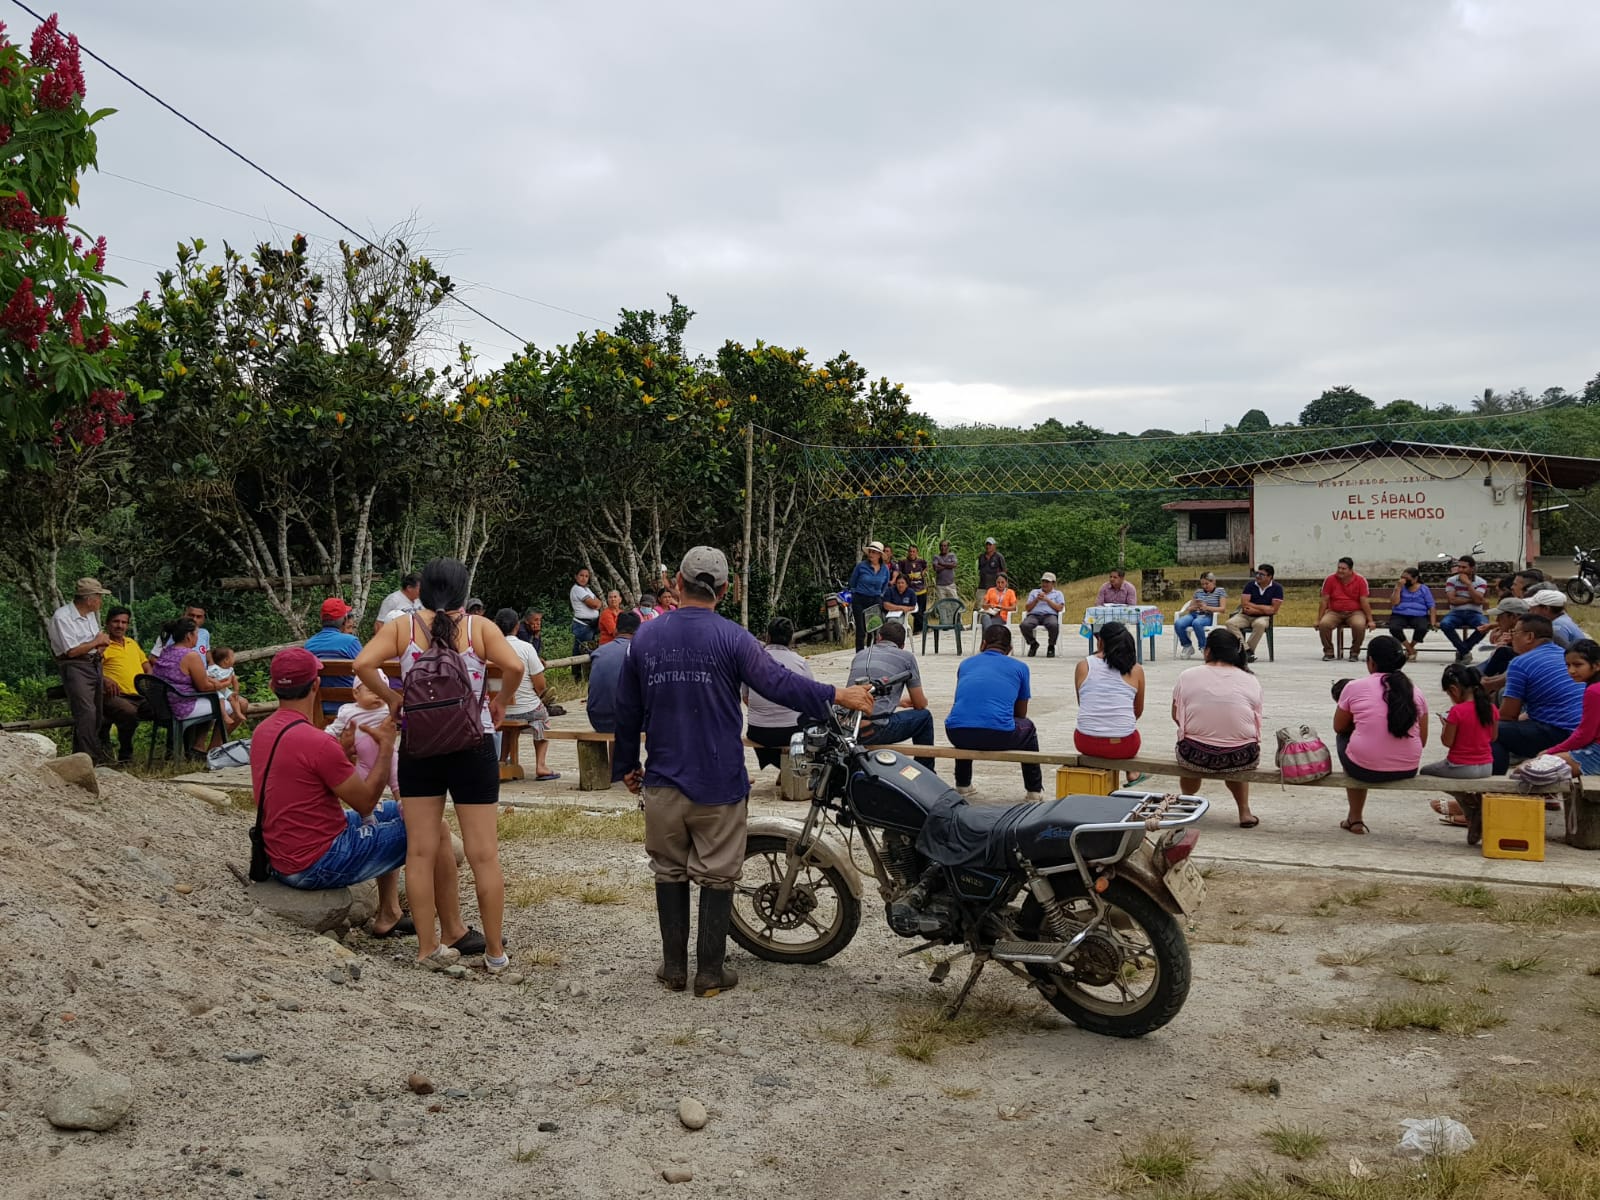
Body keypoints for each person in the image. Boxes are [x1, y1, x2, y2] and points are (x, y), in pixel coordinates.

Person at [612, 546, 873, 997]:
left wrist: (626, 767)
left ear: (677, 582)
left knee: (668, 871)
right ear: (724, 589)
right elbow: (778, 683)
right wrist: (837, 694)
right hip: (719, 783)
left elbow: (626, 711)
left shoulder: (645, 638)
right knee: (718, 874)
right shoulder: (735, 638)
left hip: (663, 781)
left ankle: (673, 968)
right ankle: (710, 973)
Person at [356, 557, 524, 973]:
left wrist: (393, 699)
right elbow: (515, 666)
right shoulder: (479, 628)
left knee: (420, 851)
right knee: (484, 854)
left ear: (424, 589)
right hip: (473, 744)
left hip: (420, 746)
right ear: (464, 590)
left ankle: (428, 948)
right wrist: (501, 702)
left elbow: (362, 665)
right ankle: (495, 954)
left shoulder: (403, 626)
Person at [1332, 635, 1428, 835]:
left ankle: (1355, 818)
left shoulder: (1354, 687)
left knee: (1345, 739)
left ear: (1371, 662)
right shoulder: (1415, 691)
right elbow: (1423, 739)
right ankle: (1354, 817)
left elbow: (1339, 727)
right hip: (1407, 768)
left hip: (1363, 769)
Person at [1171, 627, 1263, 828]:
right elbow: (1255, 720)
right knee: (1237, 747)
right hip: (1241, 756)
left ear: (1207, 651)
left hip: (1195, 754)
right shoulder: (1251, 680)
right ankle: (1244, 811)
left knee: (1187, 754)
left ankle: (1187, 800)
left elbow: (1176, 715)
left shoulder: (1187, 675)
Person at [945, 623, 1042, 801]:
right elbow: (1021, 713)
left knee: (967, 719)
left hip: (956, 733)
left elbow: (963, 701)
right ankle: (1034, 791)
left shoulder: (965, 664)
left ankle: (963, 784)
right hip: (999, 735)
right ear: (1010, 649)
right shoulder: (1020, 667)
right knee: (1028, 728)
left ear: (983, 644)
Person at [1489, 615, 1585, 774]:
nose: (1512, 637)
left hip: (1562, 733)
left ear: (1529, 637)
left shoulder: (1520, 663)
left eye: (1515, 632)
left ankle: (1494, 781)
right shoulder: (1564, 655)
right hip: (1583, 731)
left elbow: (1507, 715)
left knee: (1490, 729)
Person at [1420, 664, 1498, 826]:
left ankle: (1466, 803)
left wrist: (1445, 726)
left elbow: (1447, 742)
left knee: (1425, 772)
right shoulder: (1491, 708)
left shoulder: (1457, 711)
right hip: (1486, 766)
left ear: (1454, 690)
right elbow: (1493, 737)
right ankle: (1470, 808)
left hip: (1460, 767)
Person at [850, 621, 935, 769]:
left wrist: (898, 702)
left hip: (849, 726)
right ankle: (926, 772)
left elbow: (864, 694)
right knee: (924, 718)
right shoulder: (906, 657)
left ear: (879, 638)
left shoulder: (860, 655)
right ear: (902, 646)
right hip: (874, 729)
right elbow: (920, 704)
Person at [48, 577, 113, 762]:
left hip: (93, 662)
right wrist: (96, 642)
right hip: (75, 665)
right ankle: (89, 756)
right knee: (86, 712)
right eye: (99, 597)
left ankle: (82, 755)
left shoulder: (90, 615)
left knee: (97, 712)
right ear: (89, 599)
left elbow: (95, 639)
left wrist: (99, 647)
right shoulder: (63, 617)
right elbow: (71, 651)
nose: (100, 601)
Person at [149, 617, 240, 748]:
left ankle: (199, 748)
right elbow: (204, 687)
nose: (198, 637)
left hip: (162, 705)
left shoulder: (166, 651)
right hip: (181, 707)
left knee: (215, 700)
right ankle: (214, 749)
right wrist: (223, 684)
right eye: (196, 634)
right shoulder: (190, 655)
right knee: (231, 705)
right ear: (189, 636)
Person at [743, 617, 816, 780]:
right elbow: (811, 697)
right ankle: (791, 768)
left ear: (768, 636)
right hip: (791, 732)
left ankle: (782, 767)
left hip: (758, 732)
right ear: (791, 639)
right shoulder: (800, 662)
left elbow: (746, 698)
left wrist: (766, 711)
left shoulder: (751, 662)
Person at [1073, 620, 1145, 782]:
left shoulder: (1083, 666)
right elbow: (1138, 711)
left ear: (1101, 641)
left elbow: (1083, 703)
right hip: (1123, 745)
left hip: (1085, 742)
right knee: (1129, 731)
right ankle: (1132, 772)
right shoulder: (1136, 669)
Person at [494, 607, 558, 782]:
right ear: (517, 626)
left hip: (498, 710)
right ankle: (541, 766)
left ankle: (502, 761)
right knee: (542, 717)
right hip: (526, 708)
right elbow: (540, 686)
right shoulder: (526, 648)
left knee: (508, 726)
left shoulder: (489, 648)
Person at [326, 679, 402, 801]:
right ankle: (365, 812)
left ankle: (403, 806)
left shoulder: (389, 709)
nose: (378, 695)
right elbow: (334, 729)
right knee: (360, 792)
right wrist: (324, 738)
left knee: (399, 782)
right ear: (356, 693)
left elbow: (405, 720)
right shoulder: (348, 712)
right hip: (363, 761)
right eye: (372, 691)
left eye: (381, 692)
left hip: (390, 757)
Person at [99, 605, 151, 764]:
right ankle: (126, 755)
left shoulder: (131, 643)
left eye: (124, 622)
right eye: (116, 621)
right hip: (115, 695)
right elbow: (92, 669)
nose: (120, 626)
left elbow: (146, 664)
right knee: (128, 713)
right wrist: (104, 679)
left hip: (139, 695)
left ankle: (174, 753)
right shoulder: (102, 645)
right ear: (108, 623)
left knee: (166, 708)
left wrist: (150, 678)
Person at [1548, 639, 1600, 780]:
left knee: (1530, 768)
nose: (1571, 671)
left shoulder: (1594, 691)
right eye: (1568, 665)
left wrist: (1551, 751)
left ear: (1596, 665)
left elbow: (1585, 734)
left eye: (1578, 665)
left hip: (1596, 754)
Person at [304, 597, 363, 717]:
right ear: (344, 620)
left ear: (322, 619)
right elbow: (366, 671)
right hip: (351, 708)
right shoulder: (351, 642)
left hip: (320, 709)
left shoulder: (309, 645)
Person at [585, 609, 636, 734]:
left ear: (616, 630)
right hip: (628, 721)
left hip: (598, 720)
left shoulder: (598, 652)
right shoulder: (640, 651)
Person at [1316, 557, 1372, 662]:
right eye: (1339, 568)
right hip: (1334, 612)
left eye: (1343, 569)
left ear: (1350, 570)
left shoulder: (1360, 580)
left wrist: (1370, 620)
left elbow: (1364, 601)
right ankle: (1329, 652)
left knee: (1359, 625)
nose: (1340, 571)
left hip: (1355, 612)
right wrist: (1318, 619)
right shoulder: (1330, 579)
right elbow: (1324, 600)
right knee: (1324, 624)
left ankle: (1354, 652)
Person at [1226, 564, 1284, 662]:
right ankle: (1247, 651)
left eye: (1261, 574)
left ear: (1270, 576)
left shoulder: (1277, 588)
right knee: (1230, 623)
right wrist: (1264, 608)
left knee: (1260, 624)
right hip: (1245, 615)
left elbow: (1273, 610)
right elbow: (1244, 604)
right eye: (1257, 573)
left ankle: (1246, 652)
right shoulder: (1250, 585)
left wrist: (1255, 609)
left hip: (1263, 617)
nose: (1257, 576)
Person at [1439, 556, 1489, 662]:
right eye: (1459, 567)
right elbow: (1452, 600)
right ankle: (1465, 651)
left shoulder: (1481, 582)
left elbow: (1478, 600)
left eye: (1464, 567)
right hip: (1456, 613)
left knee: (1484, 626)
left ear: (1472, 568)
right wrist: (1472, 599)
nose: (1460, 570)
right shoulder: (1452, 580)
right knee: (1445, 624)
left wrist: (1468, 584)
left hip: (1475, 613)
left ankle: (1462, 650)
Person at [1478, 597, 1530, 691]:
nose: (1497, 620)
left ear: (1513, 617)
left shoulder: (1527, 634)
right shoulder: (1513, 632)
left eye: (1500, 616)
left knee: (1502, 652)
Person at [847, 540, 890, 653]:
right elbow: (852, 583)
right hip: (860, 599)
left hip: (875, 600)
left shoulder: (885, 569)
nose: (871, 554)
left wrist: (879, 595)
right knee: (861, 630)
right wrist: (855, 594)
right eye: (870, 551)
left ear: (879, 555)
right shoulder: (861, 566)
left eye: (874, 552)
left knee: (874, 629)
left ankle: (872, 653)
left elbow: (885, 585)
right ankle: (860, 654)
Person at [1387, 569, 1438, 661]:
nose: (1403, 580)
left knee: (1422, 628)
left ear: (1415, 579)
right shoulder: (1400, 587)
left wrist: (1433, 622)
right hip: (1400, 614)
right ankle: (1411, 650)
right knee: (1394, 628)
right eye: (1402, 578)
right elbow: (1394, 603)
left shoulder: (1423, 589)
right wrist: (1397, 589)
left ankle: (1410, 647)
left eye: (1407, 578)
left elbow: (1431, 606)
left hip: (1419, 614)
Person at [1175, 572, 1226, 660]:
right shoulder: (1198, 592)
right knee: (1178, 623)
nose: (1204, 586)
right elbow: (1190, 608)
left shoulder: (1220, 591)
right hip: (1194, 614)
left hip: (1208, 615)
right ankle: (1187, 646)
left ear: (1213, 582)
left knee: (1197, 623)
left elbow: (1222, 609)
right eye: (1202, 584)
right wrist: (1194, 607)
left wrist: (1207, 608)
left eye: (1207, 583)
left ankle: (1204, 647)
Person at [1021, 572, 1066, 658]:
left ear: (1053, 583)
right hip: (1034, 615)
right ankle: (1033, 644)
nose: (1044, 584)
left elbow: (1060, 608)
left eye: (1047, 582)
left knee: (1053, 625)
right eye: (1043, 581)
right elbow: (1027, 608)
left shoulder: (1058, 594)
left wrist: (1047, 600)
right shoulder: (1034, 592)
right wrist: (1036, 600)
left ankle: (1051, 646)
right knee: (1024, 625)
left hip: (1050, 615)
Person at [569, 567, 603, 679]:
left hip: (592, 625)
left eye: (586, 576)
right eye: (581, 575)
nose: (584, 578)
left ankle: (585, 676)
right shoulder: (577, 589)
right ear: (576, 576)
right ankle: (578, 676)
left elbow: (599, 602)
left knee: (589, 649)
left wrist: (596, 603)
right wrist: (596, 603)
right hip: (583, 625)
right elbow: (595, 604)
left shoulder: (587, 589)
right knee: (582, 651)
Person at [206, 646, 252, 726]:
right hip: (215, 690)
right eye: (232, 656)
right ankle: (224, 715)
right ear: (226, 660)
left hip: (224, 689)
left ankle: (238, 713)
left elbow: (234, 681)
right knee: (221, 699)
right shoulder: (214, 668)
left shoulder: (230, 669)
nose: (234, 658)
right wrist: (213, 681)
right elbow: (206, 676)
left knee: (233, 698)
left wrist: (236, 691)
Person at [900, 544, 930, 634]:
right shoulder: (903, 562)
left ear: (917, 552)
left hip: (921, 590)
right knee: (914, 611)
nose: (912, 553)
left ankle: (918, 630)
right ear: (908, 552)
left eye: (914, 551)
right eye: (910, 551)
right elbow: (900, 573)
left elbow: (926, 566)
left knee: (922, 611)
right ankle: (926, 626)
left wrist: (923, 572)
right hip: (910, 591)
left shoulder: (920, 561)